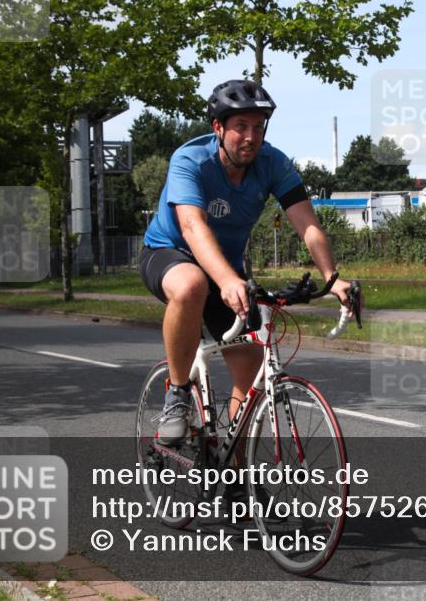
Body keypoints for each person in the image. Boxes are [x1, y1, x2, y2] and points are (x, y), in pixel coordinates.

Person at [139, 79, 361, 445]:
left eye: (258, 127)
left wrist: (332, 277)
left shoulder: (273, 163)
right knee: (192, 283)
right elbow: (193, 226)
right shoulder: (190, 160)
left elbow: (308, 225)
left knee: (251, 374)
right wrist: (227, 280)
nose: (250, 136)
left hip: (226, 267)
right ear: (218, 128)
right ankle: (177, 394)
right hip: (170, 253)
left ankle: (236, 480)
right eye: (240, 126)